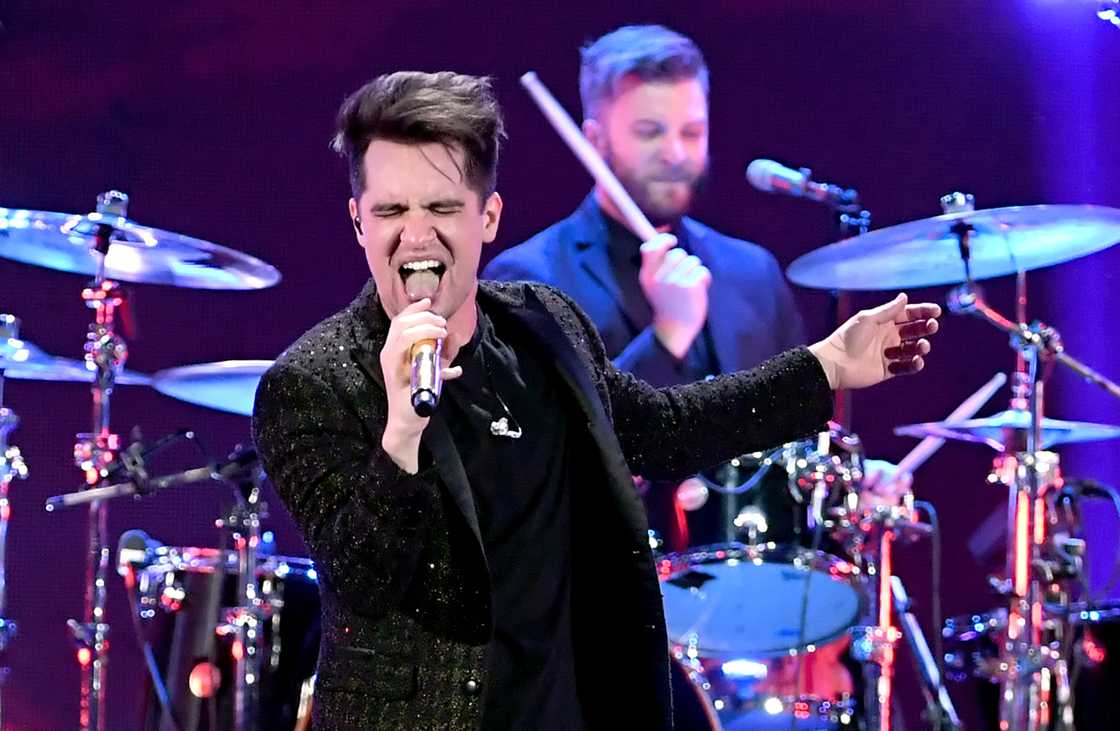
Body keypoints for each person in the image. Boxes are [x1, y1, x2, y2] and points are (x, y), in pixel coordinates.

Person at [251, 70, 939, 731]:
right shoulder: (311, 383)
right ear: (357, 221)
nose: (418, 234)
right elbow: (364, 583)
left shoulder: (543, 327)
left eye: (442, 207)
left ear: (487, 217)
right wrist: (401, 430)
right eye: (391, 210)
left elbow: (665, 428)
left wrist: (826, 365)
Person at [484, 25, 905, 550]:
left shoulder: (751, 271)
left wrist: (850, 487)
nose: (675, 152)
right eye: (649, 132)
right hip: (605, 592)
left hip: (758, 596)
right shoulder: (526, 280)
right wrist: (667, 337)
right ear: (594, 139)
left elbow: (800, 443)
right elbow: (540, 463)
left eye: (691, 131)